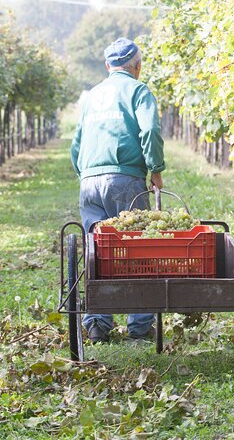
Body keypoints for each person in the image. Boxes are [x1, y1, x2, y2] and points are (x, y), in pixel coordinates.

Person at [70, 37, 165, 343]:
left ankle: (97, 324)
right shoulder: (138, 90)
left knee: (96, 251)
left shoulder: (92, 96)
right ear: (136, 66)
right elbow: (149, 129)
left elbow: (77, 143)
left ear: (107, 66)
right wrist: (156, 169)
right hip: (124, 180)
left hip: (89, 181)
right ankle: (139, 328)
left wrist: (85, 174)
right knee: (137, 251)